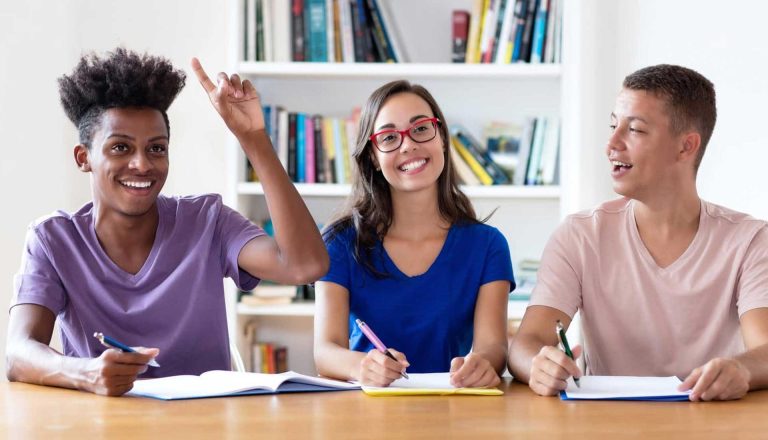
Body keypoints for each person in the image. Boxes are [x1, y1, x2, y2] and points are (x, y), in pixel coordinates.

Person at [5, 48, 329, 396]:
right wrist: (84, 372)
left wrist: (253, 139)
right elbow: (19, 352)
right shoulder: (53, 239)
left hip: (202, 424)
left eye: (156, 148)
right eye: (120, 148)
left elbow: (304, 266)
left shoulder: (208, 221)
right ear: (84, 158)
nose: (142, 164)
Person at [507, 64, 768, 401]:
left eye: (635, 130)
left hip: (711, 421)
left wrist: (742, 369)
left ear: (686, 146)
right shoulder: (579, 235)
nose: (612, 144)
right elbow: (526, 344)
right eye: (614, 125)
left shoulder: (749, 240)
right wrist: (538, 365)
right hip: (606, 422)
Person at [313, 80, 514, 387]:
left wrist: (483, 365)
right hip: (364, 414)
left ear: (442, 139)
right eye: (389, 137)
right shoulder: (339, 242)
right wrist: (362, 366)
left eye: (421, 129)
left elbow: (493, 347)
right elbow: (325, 351)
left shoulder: (488, 246)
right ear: (372, 158)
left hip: (452, 412)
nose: (408, 145)